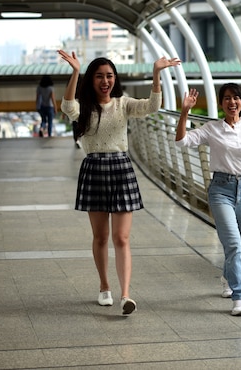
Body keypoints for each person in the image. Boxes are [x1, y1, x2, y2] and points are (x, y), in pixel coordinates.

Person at [58, 49, 181, 315]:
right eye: (100, 76)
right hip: (94, 168)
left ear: (115, 79)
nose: (105, 81)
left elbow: (151, 106)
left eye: (110, 76)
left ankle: (126, 295)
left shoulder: (123, 104)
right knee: (101, 237)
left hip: (121, 168)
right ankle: (104, 286)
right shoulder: (84, 107)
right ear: (91, 80)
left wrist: (157, 73)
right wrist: (75, 72)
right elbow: (67, 107)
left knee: (121, 237)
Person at [175, 84, 241, 316]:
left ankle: (227, 276)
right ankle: (239, 296)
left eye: (236, 98)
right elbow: (181, 141)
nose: (232, 103)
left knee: (238, 245)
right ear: (221, 103)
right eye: (227, 99)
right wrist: (184, 113)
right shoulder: (212, 128)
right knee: (232, 243)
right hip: (220, 189)